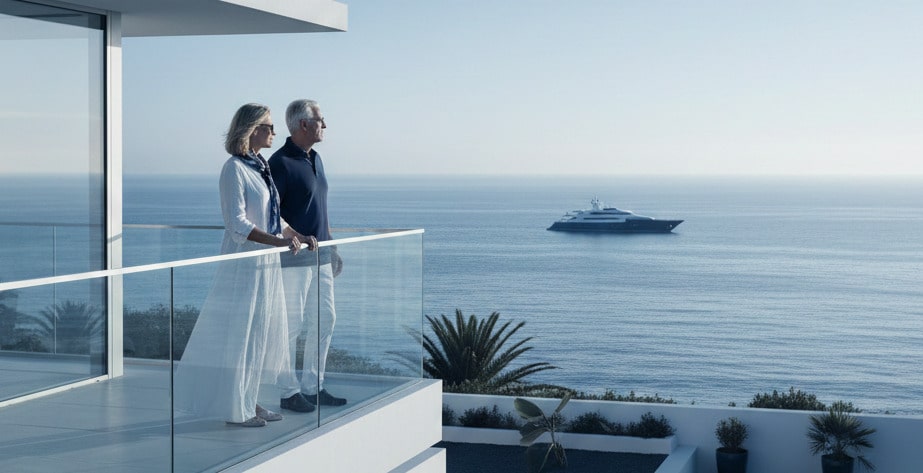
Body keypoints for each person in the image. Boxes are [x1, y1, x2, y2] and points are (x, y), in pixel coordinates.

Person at [174, 103, 317, 427]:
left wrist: (296, 235)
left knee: (259, 334)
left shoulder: (260, 166)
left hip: (264, 265)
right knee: (241, 334)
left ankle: (249, 400)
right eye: (269, 126)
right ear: (252, 129)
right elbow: (236, 223)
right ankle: (236, 409)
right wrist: (278, 242)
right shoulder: (234, 169)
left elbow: (273, 217)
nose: (274, 132)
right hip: (244, 265)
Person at [270, 99, 347, 411]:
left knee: (325, 318)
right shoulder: (280, 163)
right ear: (304, 124)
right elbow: (271, 213)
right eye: (320, 120)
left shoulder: (316, 158)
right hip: (293, 259)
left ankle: (313, 387)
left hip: (322, 255)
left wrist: (333, 247)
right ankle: (288, 391)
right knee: (292, 325)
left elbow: (320, 208)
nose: (324, 125)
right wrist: (294, 236)